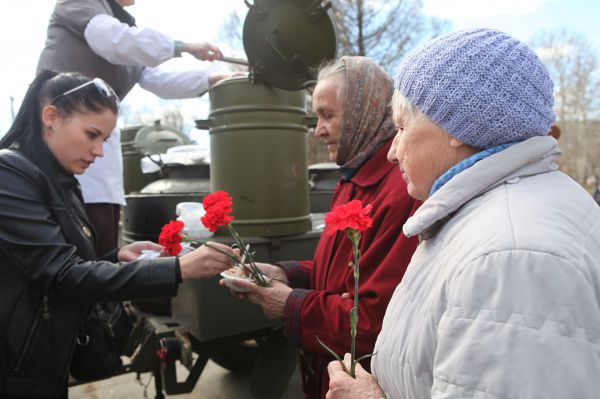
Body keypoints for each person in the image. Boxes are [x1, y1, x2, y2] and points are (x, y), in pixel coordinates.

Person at [326, 28, 600, 399]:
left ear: (457, 125)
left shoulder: (510, 258)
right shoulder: (508, 215)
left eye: (402, 127)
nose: (392, 152)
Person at [0, 72, 238, 398]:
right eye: (92, 134)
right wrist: (178, 269)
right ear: (51, 118)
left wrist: (116, 258)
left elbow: (57, 262)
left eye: (105, 140)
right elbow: (62, 277)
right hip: (17, 368)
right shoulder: (9, 176)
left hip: (45, 358)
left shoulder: (60, 179)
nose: (98, 151)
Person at [227, 56, 420, 398]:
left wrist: (289, 304)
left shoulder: (401, 191)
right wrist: (284, 274)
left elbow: (372, 323)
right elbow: (338, 272)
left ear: (363, 112)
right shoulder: (352, 179)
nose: (317, 129)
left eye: (327, 115)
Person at [36, 0, 227, 256]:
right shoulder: (81, 4)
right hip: (58, 138)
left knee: (100, 230)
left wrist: (212, 79)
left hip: (98, 155)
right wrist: (182, 46)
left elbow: (158, 80)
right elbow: (111, 39)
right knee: (65, 234)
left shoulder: (125, 29)